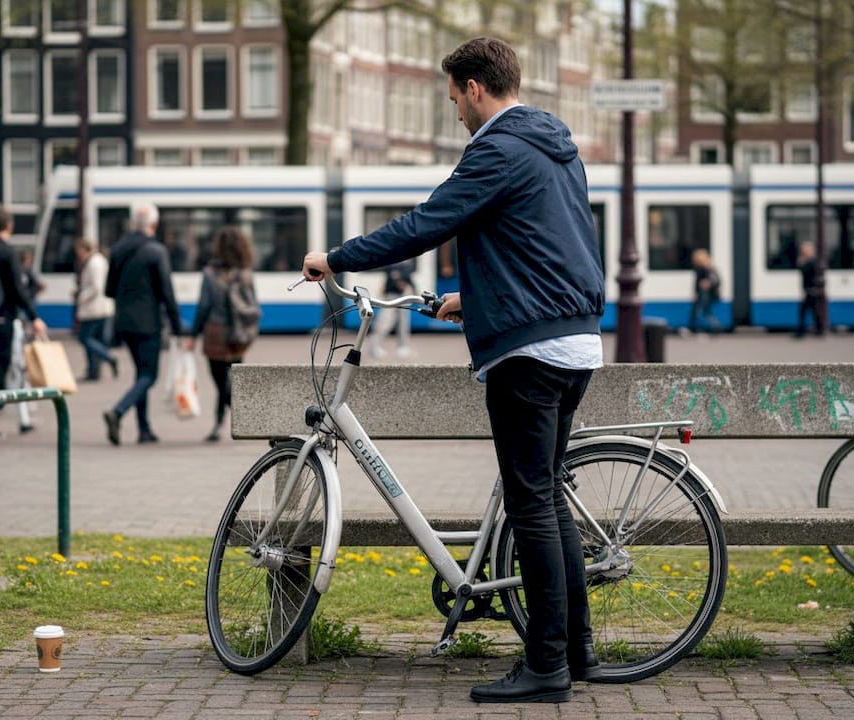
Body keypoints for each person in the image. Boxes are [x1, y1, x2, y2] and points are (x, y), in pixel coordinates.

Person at [302, 37, 604, 704]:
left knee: (531, 503)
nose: (456, 115)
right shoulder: (557, 145)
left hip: (530, 353)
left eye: (454, 100)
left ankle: (547, 665)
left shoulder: (495, 148)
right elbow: (555, 242)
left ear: (474, 87)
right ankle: (578, 652)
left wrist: (338, 256)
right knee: (547, 498)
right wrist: (478, 296)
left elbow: (427, 224)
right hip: (576, 339)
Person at [103, 203, 182, 446]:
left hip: (123, 323)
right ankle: (118, 411)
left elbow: (109, 290)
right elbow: (167, 292)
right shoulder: (156, 251)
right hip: (148, 324)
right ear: (154, 225)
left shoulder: (117, 249)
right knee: (149, 375)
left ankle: (144, 429)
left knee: (140, 374)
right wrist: (177, 326)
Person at [184, 226, 258, 442]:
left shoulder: (209, 274)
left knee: (221, 383)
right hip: (239, 335)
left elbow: (203, 307)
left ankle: (226, 423)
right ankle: (238, 421)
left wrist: (193, 335)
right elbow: (253, 304)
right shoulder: (245, 274)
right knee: (232, 380)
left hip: (215, 335)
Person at [0, 209, 48, 416]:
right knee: (2, 364)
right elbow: (18, 288)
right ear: (9, 226)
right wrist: (34, 317)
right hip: (2, 312)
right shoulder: (7, 252)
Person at [73, 238, 117, 382]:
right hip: (98, 308)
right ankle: (94, 371)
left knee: (85, 338)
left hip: (94, 309)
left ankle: (108, 357)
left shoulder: (94, 264)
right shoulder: (97, 261)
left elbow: (96, 288)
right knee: (94, 339)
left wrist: (81, 297)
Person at [364, 259, 416, 358]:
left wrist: (413, 289)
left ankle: (402, 347)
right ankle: (374, 347)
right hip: (392, 295)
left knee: (403, 323)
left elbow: (408, 278)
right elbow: (392, 276)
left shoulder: (406, 262)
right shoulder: (393, 261)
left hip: (403, 296)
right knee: (384, 322)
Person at [687, 248, 721, 334]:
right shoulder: (707, 268)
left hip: (705, 294)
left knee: (699, 312)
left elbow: (714, 280)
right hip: (705, 294)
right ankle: (715, 327)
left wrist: (707, 283)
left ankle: (697, 328)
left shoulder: (705, 268)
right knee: (705, 312)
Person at [795, 241, 824, 338]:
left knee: (806, 310)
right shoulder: (812, 260)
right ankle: (818, 329)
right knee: (812, 310)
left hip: (811, 289)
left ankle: (803, 331)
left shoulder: (811, 261)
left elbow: (807, 273)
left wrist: (801, 264)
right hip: (810, 289)